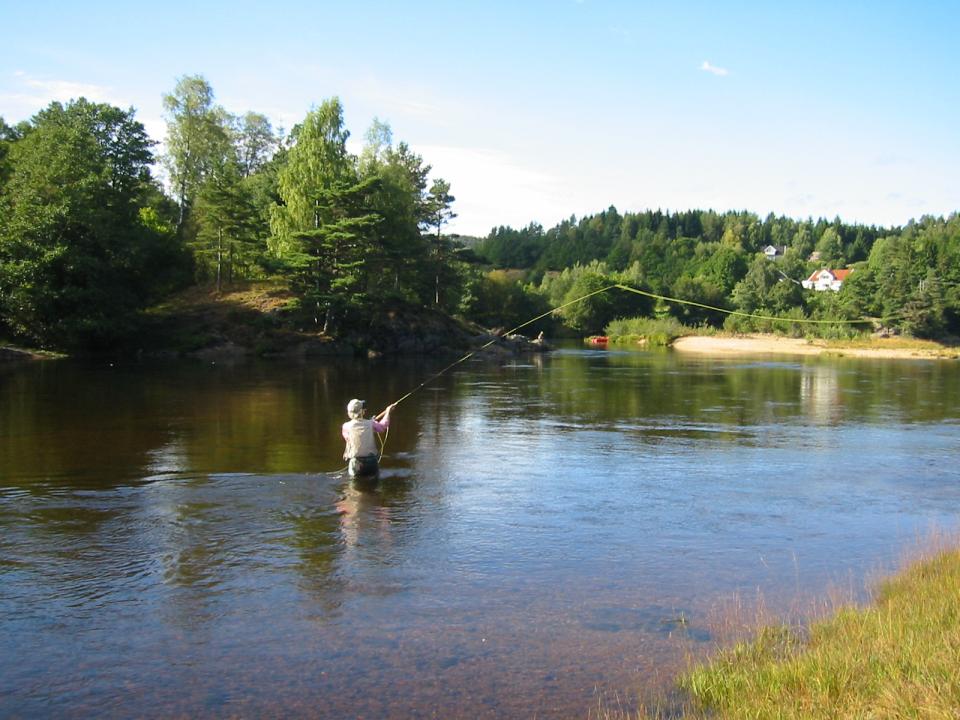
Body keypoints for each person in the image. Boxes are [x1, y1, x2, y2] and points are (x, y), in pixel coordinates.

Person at [342, 399, 395, 479]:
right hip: (371, 463)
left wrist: (370, 423)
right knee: (373, 484)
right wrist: (387, 412)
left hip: (356, 463)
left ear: (349, 413)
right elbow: (382, 427)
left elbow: (350, 438)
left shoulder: (346, 426)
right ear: (362, 412)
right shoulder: (371, 423)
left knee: (354, 484)